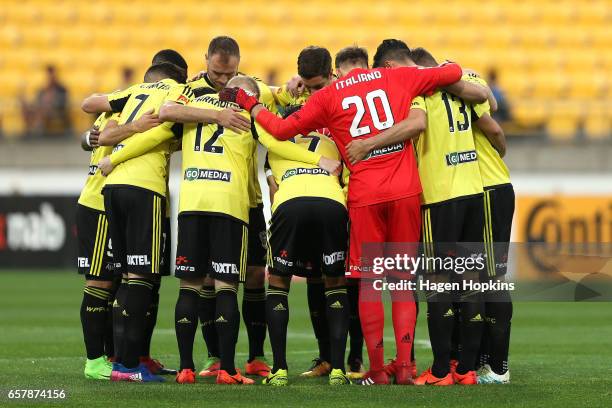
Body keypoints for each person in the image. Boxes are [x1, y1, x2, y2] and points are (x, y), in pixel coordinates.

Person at [221, 45, 465, 385]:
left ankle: (378, 370)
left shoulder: (329, 96)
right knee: (401, 282)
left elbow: (277, 131)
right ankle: (406, 368)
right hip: (406, 189)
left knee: (369, 285)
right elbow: (452, 74)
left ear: (338, 70)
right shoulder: (396, 76)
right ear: (366, 64)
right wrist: (449, 63)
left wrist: (250, 103)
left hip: (365, 194)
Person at [157, 75, 337, 384]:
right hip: (229, 204)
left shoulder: (193, 108)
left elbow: (163, 117)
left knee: (190, 285)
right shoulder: (246, 117)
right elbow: (279, 143)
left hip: (190, 203)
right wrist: (317, 159)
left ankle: (186, 368)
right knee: (227, 285)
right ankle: (228, 369)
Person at [273, 45, 365, 379]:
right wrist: (285, 90)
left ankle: (354, 358)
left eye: (317, 86)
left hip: (349, 197)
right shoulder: (301, 105)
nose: (313, 94)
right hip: (320, 194)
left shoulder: (345, 101)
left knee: (350, 279)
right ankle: (326, 356)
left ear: (333, 76)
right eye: (308, 87)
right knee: (314, 276)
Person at [263, 105, 350, 386]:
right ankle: (338, 369)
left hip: (291, 204)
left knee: (278, 282)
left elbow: (273, 190)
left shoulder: (276, 145)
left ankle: (279, 370)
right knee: (334, 282)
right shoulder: (331, 142)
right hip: (332, 203)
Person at [23, 65, 71, 137]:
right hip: (41, 108)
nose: (50, 76)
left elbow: (64, 101)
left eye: (51, 74)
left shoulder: (61, 88)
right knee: (26, 108)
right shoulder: (44, 89)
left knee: (43, 108)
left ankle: (35, 131)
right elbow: (37, 99)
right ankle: (30, 131)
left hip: (56, 109)